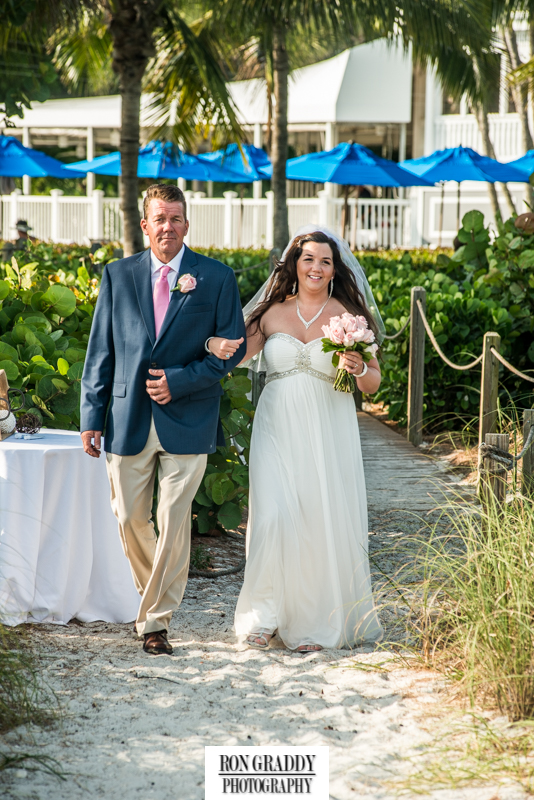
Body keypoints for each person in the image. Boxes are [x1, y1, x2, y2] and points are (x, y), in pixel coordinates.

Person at [80, 184, 246, 655]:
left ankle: (155, 622)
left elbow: (233, 349)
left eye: (176, 219)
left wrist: (182, 380)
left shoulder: (214, 278)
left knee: (173, 518)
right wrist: (91, 415)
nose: (168, 227)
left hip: (188, 416)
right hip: (127, 414)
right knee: (130, 517)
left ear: (186, 224)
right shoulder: (117, 275)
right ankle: (156, 600)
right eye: (160, 219)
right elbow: (101, 352)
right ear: (144, 225)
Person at [208, 227, 384, 653]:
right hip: (277, 425)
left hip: (328, 429)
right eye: (308, 259)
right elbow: (236, 355)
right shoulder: (270, 313)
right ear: (295, 263)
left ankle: (313, 624)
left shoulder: (349, 316)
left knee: (316, 518)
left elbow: (374, 384)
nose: (316, 268)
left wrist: (359, 367)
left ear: (334, 268)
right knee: (271, 517)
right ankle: (264, 618)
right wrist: (214, 341)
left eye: (325, 261)